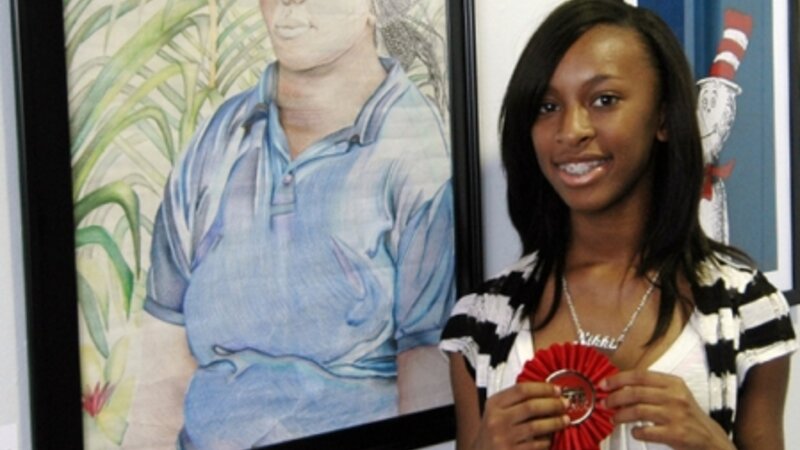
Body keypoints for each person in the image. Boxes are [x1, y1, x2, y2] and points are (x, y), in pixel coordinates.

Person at [439, 1, 798, 449]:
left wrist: (714, 445)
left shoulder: (747, 308)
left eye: (604, 100)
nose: (571, 130)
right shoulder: (480, 323)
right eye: (547, 106)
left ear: (663, 116)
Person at [128, 0, 455, 448]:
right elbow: (164, 361)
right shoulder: (219, 137)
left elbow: (428, 371)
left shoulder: (415, 149)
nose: (287, 4)